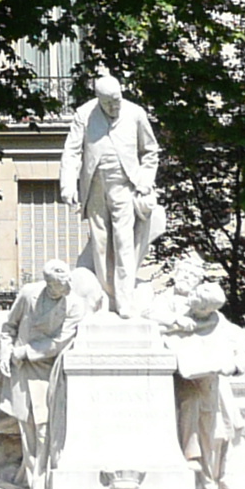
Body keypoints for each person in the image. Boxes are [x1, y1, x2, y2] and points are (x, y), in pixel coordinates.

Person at [58, 67, 161, 316]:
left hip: (125, 185)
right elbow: (72, 151)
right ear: (98, 100)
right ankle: (106, 297)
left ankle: (125, 300)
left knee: (124, 242)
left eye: (117, 101)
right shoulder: (84, 114)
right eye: (108, 103)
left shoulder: (135, 113)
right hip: (95, 186)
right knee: (100, 243)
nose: (114, 107)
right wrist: (68, 184)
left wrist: (146, 181)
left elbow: (150, 151)